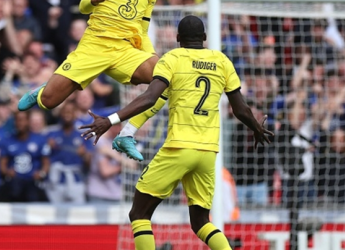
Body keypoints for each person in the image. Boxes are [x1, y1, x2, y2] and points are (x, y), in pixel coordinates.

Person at [80, 15, 273, 250]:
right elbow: (240, 109)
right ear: (204, 38)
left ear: (177, 38)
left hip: (179, 148)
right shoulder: (221, 61)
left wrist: (111, 120)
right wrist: (257, 128)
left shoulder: (172, 59)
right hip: (207, 153)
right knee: (201, 222)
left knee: (139, 214)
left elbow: (150, 98)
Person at [18, 0, 166, 161]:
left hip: (124, 51)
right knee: (48, 102)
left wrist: (151, 56)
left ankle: (127, 134)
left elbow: (142, 31)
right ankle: (42, 89)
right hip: (94, 46)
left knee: (166, 79)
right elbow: (85, 5)